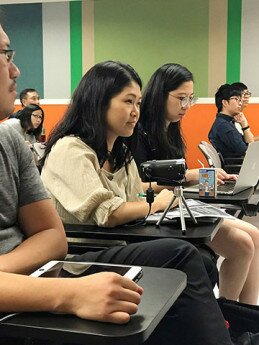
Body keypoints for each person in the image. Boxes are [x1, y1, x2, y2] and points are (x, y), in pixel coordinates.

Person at [0, 24, 234, 345]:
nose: (16, 69)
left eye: (138, 102)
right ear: (99, 102)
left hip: (54, 261)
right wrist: (159, 202)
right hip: (87, 245)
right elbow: (108, 213)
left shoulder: (11, 139)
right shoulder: (70, 148)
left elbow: (52, 238)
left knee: (200, 260)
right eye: (128, 101)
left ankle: (219, 331)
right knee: (182, 255)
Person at [133, 63, 259, 305]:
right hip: (158, 211)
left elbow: (174, 178)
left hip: (175, 204)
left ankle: (247, 315)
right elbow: (139, 184)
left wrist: (201, 177)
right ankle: (228, 319)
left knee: (254, 235)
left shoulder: (169, 130)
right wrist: (192, 176)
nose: (186, 107)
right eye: (181, 99)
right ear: (160, 94)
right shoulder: (139, 133)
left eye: (190, 99)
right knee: (243, 244)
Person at [208, 83, 250, 158]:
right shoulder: (224, 126)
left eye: (240, 100)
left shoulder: (225, 122)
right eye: (236, 99)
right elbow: (245, 151)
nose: (240, 103)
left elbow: (247, 144)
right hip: (238, 167)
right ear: (225, 102)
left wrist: (244, 125)